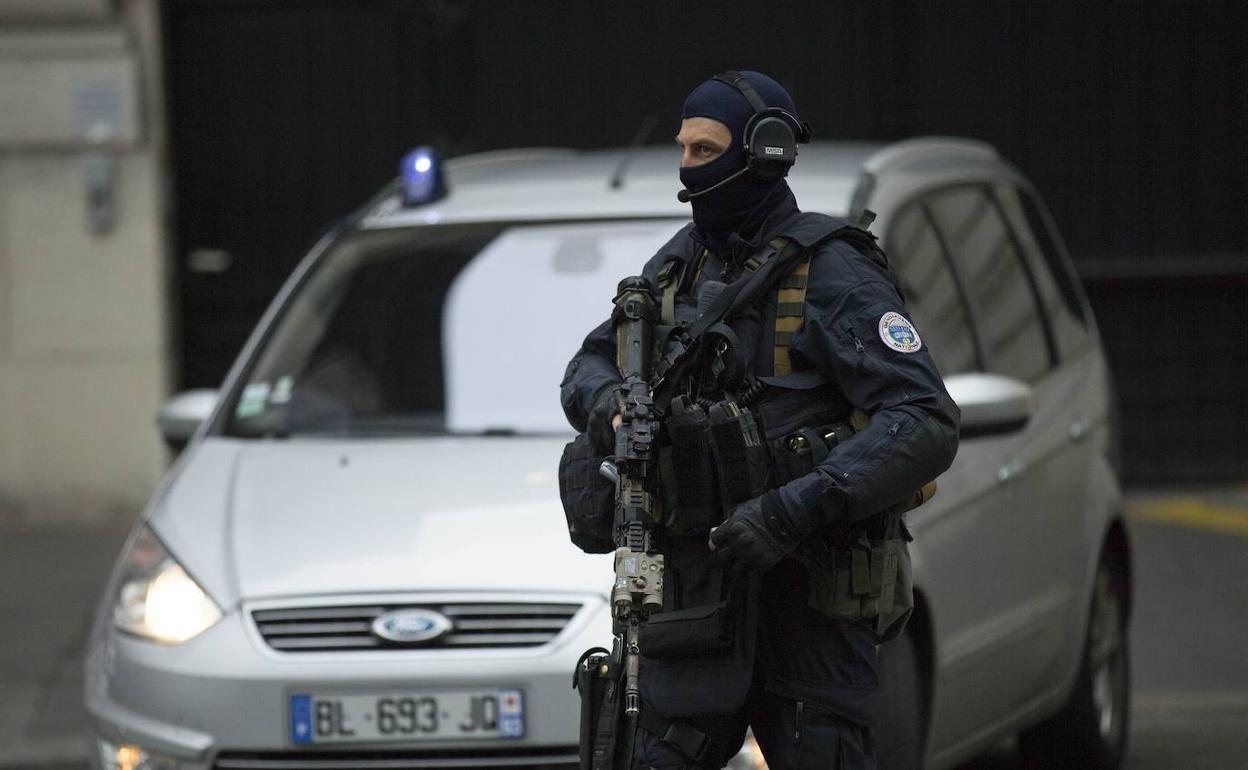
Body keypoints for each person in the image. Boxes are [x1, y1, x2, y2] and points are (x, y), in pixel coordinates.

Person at [560, 70, 960, 770]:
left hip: (807, 606)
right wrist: (613, 410)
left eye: (706, 150)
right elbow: (587, 365)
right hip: (693, 601)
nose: (687, 168)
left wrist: (790, 510)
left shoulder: (832, 272)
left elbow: (925, 417)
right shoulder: (676, 270)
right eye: (682, 149)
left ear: (764, 152)